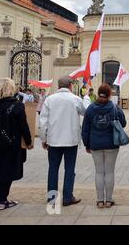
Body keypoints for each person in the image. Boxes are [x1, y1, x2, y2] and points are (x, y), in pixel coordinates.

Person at [0, 78, 33, 210]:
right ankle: (3, 200)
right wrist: (28, 141)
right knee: (7, 170)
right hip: (10, 143)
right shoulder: (17, 105)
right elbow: (23, 126)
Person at [39, 76, 86, 207]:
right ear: (70, 86)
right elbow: (85, 111)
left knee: (53, 169)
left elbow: (43, 122)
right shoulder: (75, 99)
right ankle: (67, 197)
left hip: (53, 140)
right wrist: (86, 97)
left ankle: (52, 198)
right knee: (69, 169)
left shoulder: (50, 99)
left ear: (59, 86)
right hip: (71, 140)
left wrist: (44, 138)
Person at [82, 84, 126, 208]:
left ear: (98, 93)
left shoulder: (91, 108)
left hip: (95, 144)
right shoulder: (114, 107)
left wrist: (87, 144)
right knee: (110, 172)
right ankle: (109, 200)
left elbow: (85, 129)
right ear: (109, 95)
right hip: (111, 144)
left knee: (99, 172)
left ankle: (100, 200)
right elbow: (123, 123)